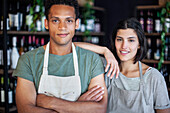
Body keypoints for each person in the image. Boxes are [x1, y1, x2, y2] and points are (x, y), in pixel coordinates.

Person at [12, 0, 119, 112]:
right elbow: (25, 109)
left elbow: (99, 109)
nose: (62, 27)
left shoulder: (92, 60)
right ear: (46, 24)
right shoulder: (28, 60)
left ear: (76, 24)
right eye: (55, 20)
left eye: (68, 20)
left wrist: (50, 102)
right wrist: (78, 106)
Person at [75, 18, 170, 113]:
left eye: (131, 40)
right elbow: (69, 47)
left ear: (139, 44)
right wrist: (105, 50)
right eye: (119, 39)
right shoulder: (106, 67)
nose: (124, 46)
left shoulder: (153, 77)